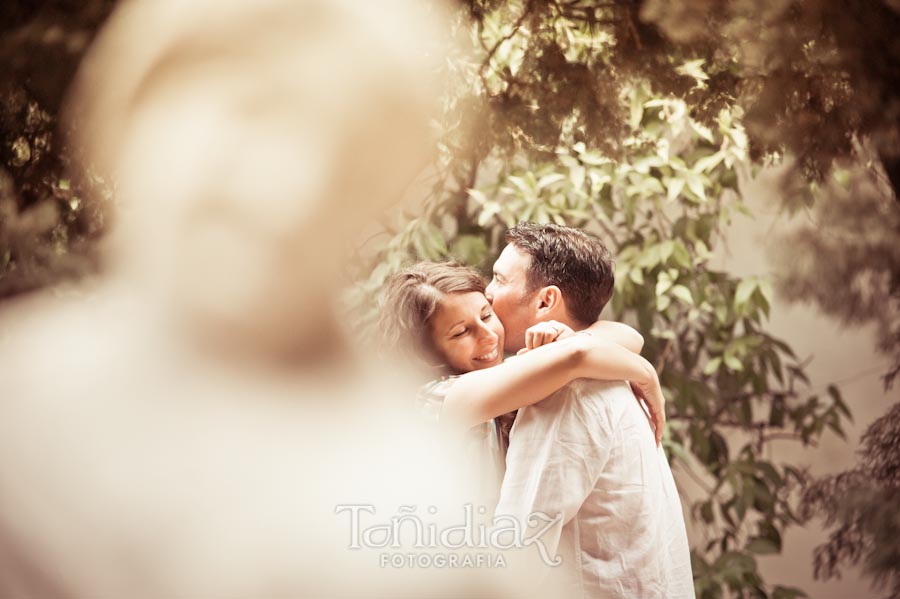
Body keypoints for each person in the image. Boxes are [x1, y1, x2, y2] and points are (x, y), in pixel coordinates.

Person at [485, 222, 695, 598]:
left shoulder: (561, 392)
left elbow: (518, 552)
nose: (487, 293)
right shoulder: (608, 371)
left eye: (499, 280)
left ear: (546, 301)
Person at [379, 260, 665, 505]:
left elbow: (626, 335)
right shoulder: (434, 400)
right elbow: (578, 356)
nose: (488, 336)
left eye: (486, 315)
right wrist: (645, 373)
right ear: (425, 353)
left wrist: (565, 341)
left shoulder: (503, 374)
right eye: (462, 332)